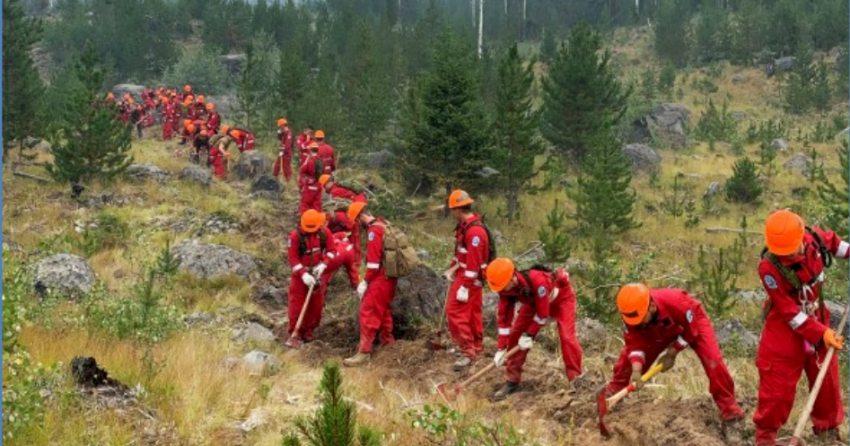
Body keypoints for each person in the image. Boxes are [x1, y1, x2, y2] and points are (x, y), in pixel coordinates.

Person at [753, 210, 848, 446]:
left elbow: (836, 244)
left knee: (826, 380)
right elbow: (788, 312)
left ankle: (827, 432)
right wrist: (821, 333)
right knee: (776, 385)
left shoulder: (814, 238)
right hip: (785, 329)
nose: (785, 256)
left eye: (790, 251)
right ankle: (765, 437)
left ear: (801, 239)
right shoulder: (768, 268)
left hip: (817, 316)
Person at [602, 284, 745, 438]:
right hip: (655, 331)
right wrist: (636, 370)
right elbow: (635, 345)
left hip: (691, 323)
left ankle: (731, 414)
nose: (637, 324)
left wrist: (673, 352)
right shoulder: (633, 319)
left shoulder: (675, 302)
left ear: (651, 306)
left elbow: (691, 331)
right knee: (626, 363)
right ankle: (611, 398)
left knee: (714, 363)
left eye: (640, 320)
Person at [485, 258, 583, 401]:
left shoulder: (538, 281)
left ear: (512, 278)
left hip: (561, 300)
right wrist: (501, 348)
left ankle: (576, 380)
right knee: (515, 335)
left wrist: (530, 335)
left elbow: (543, 314)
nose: (501, 291)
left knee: (567, 338)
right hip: (534, 303)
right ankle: (512, 380)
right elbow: (504, 318)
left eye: (502, 287)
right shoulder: (506, 290)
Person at [343, 202, 397, 367]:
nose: (357, 225)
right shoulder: (383, 224)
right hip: (390, 277)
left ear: (360, 217)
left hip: (380, 278)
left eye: (356, 221)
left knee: (368, 312)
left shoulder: (374, 231)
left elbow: (373, 264)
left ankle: (364, 352)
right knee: (384, 311)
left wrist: (364, 282)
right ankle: (388, 344)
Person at [444, 189, 491, 371]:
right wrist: (452, 268)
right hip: (466, 275)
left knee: (455, 311)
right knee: (472, 313)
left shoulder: (475, 232)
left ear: (457, 209)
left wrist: (465, 286)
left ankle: (467, 351)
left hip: (470, 278)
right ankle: (476, 348)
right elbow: (462, 255)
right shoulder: (466, 227)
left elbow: (473, 262)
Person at [286, 210, 334, 346]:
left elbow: (332, 250)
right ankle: (295, 334)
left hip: (317, 273)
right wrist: (303, 274)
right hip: (300, 277)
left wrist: (324, 264)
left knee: (316, 307)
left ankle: (308, 334)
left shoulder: (324, 233)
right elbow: (293, 259)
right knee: (297, 306)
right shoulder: (295, 236)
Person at [317, 231, 360, 298]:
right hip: (349, 250)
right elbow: (342, 234)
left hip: (336, 256)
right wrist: (346, 242)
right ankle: (356, 286)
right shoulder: (333, 236)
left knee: (324, 274)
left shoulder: (325, 247)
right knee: (352, 268)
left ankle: (320, 296)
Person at [298, 142, 324, 214]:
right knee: (316, 205)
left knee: (305, 204)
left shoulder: (310, 161)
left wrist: (301, 184)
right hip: (318, 185)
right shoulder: (320, 160)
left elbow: (302, 170)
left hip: (310, 186)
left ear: (310, 150)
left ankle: (305, 221)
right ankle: (317, 221)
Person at [273, 118, 294, 182]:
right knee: (276, 167)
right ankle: (273, 179)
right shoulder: (284, 133)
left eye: (280, 126)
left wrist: (283, 151)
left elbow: (287, 146)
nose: (279, 128)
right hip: (282, 153)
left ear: (283, 125)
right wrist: (279, 133)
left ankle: (289, 182)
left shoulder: (289, 134)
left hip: (286, 154)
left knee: (286, 169)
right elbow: (279, 139)